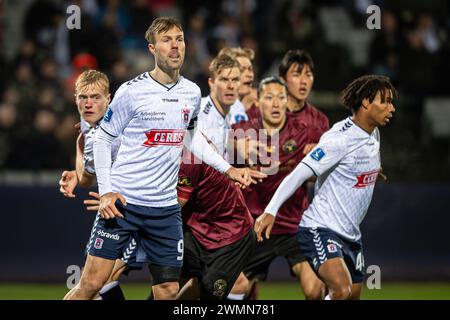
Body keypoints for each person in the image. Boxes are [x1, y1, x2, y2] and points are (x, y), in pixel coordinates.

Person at [65, 17, 251, 300]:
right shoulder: (131, 92)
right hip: (124, 204)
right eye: (167, 40)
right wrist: (106, 192)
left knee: (167, 290)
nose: (175, 45)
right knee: (91, 284)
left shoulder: (191, 92)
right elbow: (103, 138)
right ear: (152, 48)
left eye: (180, 38)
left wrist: (227, 169)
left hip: (165, 210)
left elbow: (191, 138)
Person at [255, 75, 397, 300]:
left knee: (351, 296)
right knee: (341, 290)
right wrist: (271, 210)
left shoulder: (374, 133)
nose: (392, 108)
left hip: (352, 235)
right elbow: (298, 174)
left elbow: (357, 163)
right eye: (385, 101)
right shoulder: (338, 139)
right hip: (320, 228)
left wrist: (372, 172)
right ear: (366, 103)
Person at [229, 76, 326, 300]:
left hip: (294, 227)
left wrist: (320, 154)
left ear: (286, 102)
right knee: (235, 287)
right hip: (256, 227)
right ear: (258, 101)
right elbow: (215, 155)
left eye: (280, 97)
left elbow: (327, 163)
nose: (275, 103)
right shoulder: (244, 131)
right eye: (269, 97)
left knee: (315, 289)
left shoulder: (304, 132)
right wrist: (235, 146)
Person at [59, 69, 141, 300]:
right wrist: (80, 144)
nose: (88, 103)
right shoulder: (89, 126)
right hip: (123, 212)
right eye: (83, 97)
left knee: (98, 283)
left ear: (109, 98)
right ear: (75, 99)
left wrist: (80, 147)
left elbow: (86, 178)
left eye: (95, 97)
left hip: (143, 205)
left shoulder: (110, 133)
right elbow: (85, 178)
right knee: (99, 283)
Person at [175, 147, 256, 300]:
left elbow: (179, 203)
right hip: (196, 229)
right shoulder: (186, 143)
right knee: (168, 279)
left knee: (210, 292)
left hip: (229, 235)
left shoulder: (190, 156)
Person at [279, 49, 329, 155]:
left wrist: (320, 151)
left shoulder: (320, 121)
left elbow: (327, 160)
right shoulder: (269, 115)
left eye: (308, 75)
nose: (303, 81)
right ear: (283, 79)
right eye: (296, 75)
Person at [198, 54, 242, 157]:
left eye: (235, 80)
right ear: (211, 83)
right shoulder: (200, 116)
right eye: (224, 80)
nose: (230, 86)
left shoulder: (229, 114)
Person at [218, 47, 257, 124]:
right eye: (242, 70)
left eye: (250, 69)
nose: (249, 74)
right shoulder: (215, 110)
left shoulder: (255, 112)